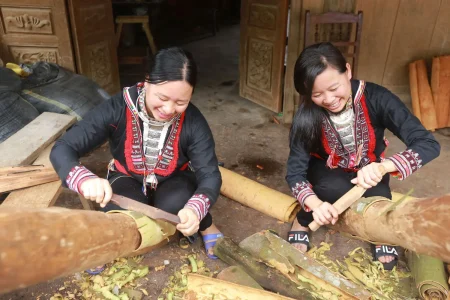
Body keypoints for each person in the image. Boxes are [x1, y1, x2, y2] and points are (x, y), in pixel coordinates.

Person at [50, 47, 223, 274]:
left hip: (174, 179)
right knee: (120, 216)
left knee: (179, 207)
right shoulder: (117, 108)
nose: (169, 109)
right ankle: (105, 238)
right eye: (162, 98)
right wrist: (83, 179)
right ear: (147, 81)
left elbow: (209, 174)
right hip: (126, 177)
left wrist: (196, 208)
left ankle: (206, 224)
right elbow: (63, 147)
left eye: (181, 102)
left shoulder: (193, 120)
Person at [286, 42, 440, 270]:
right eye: (317, 94)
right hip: (327, 170)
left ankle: (378, 235)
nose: (328, 99)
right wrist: (315, 204)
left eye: (334, 88)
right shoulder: (307, 113)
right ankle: (302, 220)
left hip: (372, 170)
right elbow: (294, 173)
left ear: (347, 71)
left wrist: (384, 167)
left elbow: (428, 143)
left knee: (379, 200)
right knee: (329, 190)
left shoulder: (377, 98)